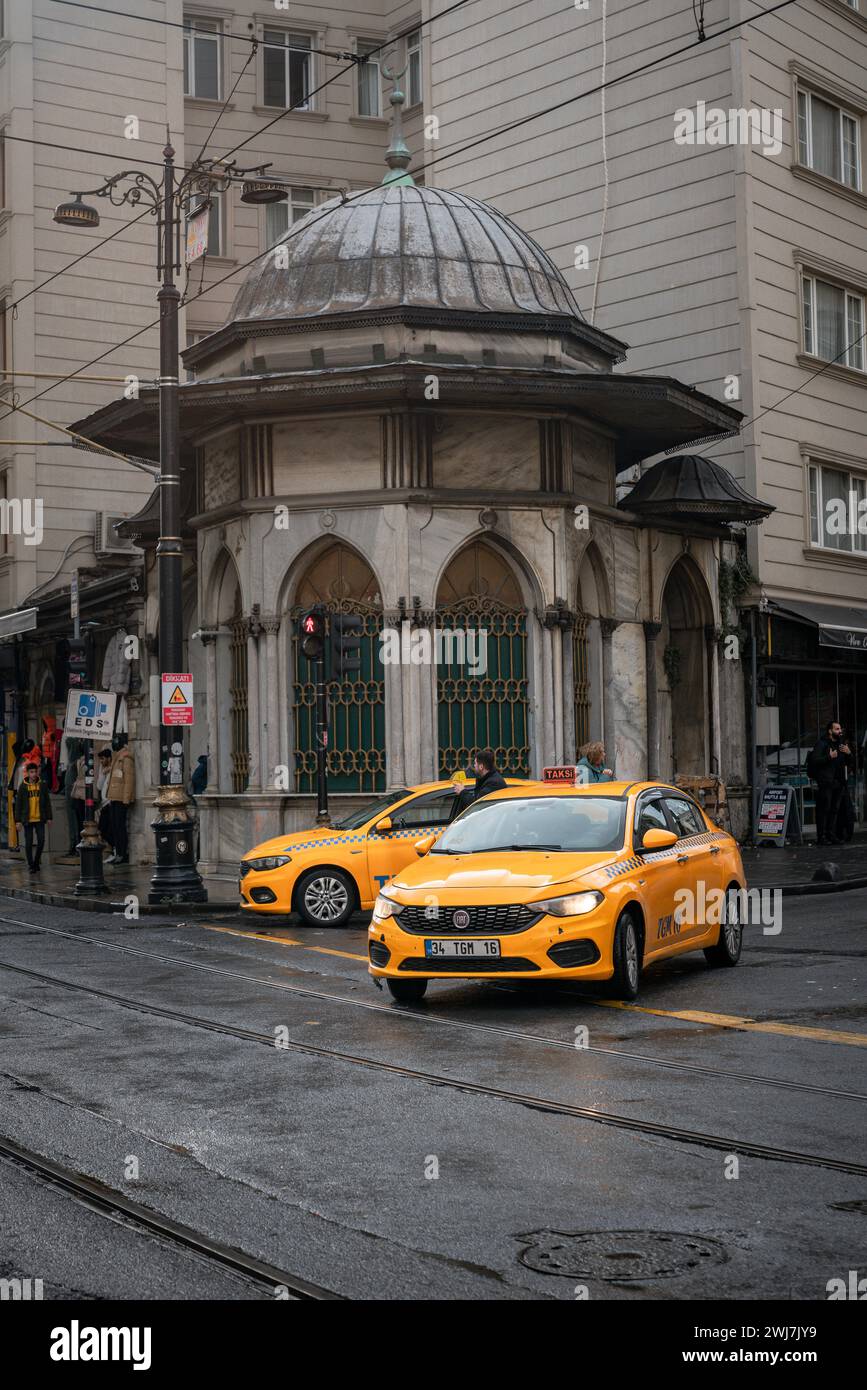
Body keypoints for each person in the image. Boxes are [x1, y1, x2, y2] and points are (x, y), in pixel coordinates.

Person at [808, 720, 853, 846]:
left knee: (834, 810)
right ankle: (821, 837)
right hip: (826, 783)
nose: (840, 731)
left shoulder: (841, 745)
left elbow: (850, 762)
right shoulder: (822, 744)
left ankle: (831, 835)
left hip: (838, 783)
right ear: (830, 731)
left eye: (840, 729)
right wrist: (829, 757)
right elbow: (814, 760)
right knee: (824, 810)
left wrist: (849, 753)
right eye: (837, 729)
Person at [14, 762, 52, 873]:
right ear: (27, 773)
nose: (34, 774)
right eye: (31, 772)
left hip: (40, 818)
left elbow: (47, 802)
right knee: (28, 842)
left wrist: (49, 817)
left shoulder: (42, 785)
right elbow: (18, 805)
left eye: (35, 771)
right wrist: (18, 821)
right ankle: (31, 865)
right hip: (27, 819)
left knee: (41, 841)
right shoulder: (23, 786)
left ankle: (36, 862)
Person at [105, 739, 135, 865]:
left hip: (121, 798)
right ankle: (118, 852)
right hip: (114, 797)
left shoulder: (125, 759)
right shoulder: (117, 757)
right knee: (115, 826)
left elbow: (129, 780)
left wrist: (126, 799)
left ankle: (122, 853)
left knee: (120, 827)